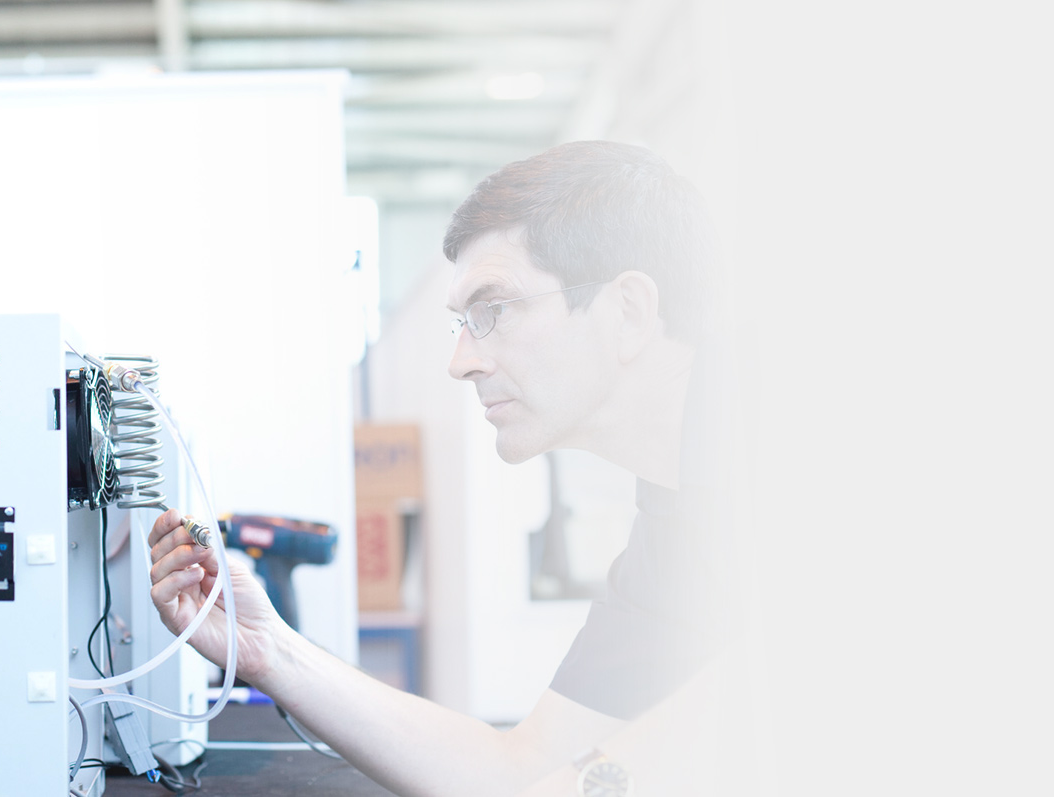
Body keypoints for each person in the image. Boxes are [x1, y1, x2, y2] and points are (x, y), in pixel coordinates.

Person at [146, 141, 733, 796]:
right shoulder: (677, 533)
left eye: (493, 310)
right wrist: (269, 651)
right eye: (463, 322)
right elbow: (524, 767)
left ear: (628, 311)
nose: (461, 362)